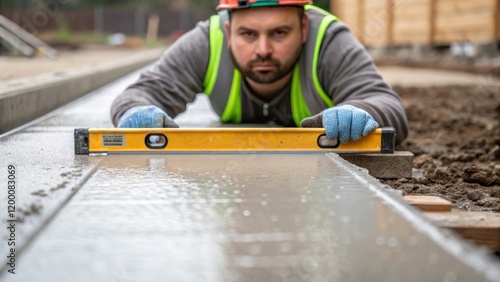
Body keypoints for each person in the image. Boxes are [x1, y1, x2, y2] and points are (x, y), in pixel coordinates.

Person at [111, 0, 408, 144]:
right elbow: (141, 93)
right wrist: (135, 110)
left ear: (304, 28)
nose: (263, 50)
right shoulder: (205, 42)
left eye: (279, 33)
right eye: (248, 35)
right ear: (228, 31)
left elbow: (383, 101)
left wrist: (359, 110)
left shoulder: (328, 41)